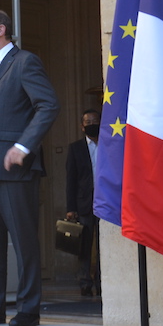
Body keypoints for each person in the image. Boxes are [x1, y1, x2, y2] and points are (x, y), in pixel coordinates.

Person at [0, 9, 60, 326]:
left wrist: (23, 146)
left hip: (16, 169)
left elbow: (47, 105)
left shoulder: (25, 62)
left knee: (24, 241)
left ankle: (29, 309)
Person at [65, 109, 102, 297]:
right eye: (88, 122)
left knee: (104, 246)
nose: (91, 124)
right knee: (84, 247)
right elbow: (70, 179)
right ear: (82, 126)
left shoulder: (109, 144)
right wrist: (70, 208)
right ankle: (85, 282)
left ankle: (102, 282)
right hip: (84, 204)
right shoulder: (75, 148)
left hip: (105, 203)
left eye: (95, 121)